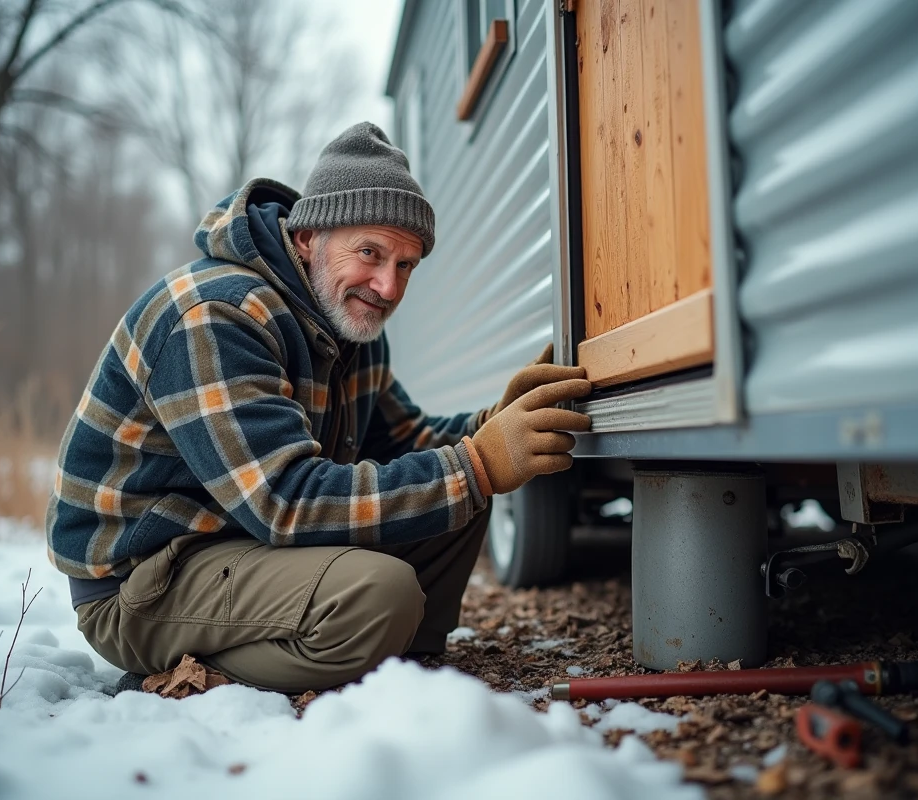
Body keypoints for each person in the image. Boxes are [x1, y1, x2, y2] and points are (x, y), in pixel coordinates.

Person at [46, 122, 591, 694]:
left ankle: (397, 658)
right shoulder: (216, 316)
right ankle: (191, 674)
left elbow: (406, 439)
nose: (387, 286)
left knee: (461, 486)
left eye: (405, 265)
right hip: (146, 578)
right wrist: (479, 463)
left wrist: (494, 426)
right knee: (384, 588)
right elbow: (285, 502)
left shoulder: (349, 322)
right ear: (307, 238)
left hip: (244, 543)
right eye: (370, 253)